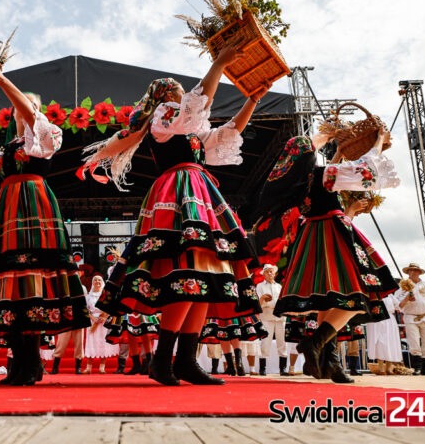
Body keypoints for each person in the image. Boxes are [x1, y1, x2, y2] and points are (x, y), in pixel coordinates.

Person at [81, 46, 268, 386]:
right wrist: (219, 64)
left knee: (206, 281)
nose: (187, 96)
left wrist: (253, 100)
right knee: (187, 275)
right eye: (180, 92)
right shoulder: (165, 117)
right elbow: (199, 102)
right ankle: (164, 359)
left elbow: (227, 134)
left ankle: (184, 360)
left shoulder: (189, 128)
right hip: (179, 193)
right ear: (167, 96)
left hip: (200, 192)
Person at [0, 59, 90, 385]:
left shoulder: (45, 135)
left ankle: (29, 362)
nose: (26, 109)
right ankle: (23, 361)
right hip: (7, 208)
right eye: (21, 105)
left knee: (33, 281)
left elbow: (31, 114)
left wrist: (2, 82)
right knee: (9, 283)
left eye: (32, 105)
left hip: (34, 204)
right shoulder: (3, 149)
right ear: (11, 112)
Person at [250, 131, 400, 383]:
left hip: (312, 235)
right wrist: (377, 141)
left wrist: (339, 152)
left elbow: (333, 171)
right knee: (358, 296)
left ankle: (330, 362)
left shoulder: (299, 183)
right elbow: (364, 169)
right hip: (333, 232)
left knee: (327, 301)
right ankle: (315, 342)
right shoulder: (324, 175)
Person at [83, 275, 119, 373]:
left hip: (103, 322)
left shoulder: (106, 295)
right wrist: (93, 318)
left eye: (99, 280)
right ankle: (88, 367)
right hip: (92, 322)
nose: (97, 282)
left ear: (102, 282)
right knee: (91, 343)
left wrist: (104, 317)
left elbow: (111, 307)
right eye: (95, 280)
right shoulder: (88, 297)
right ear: (92, 282)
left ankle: (102, 367)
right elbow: (85, 310)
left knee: (103, 342)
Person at [256, 264, 286, 375]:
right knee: (265, 342)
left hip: (279, 317)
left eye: (271, 271)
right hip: (266, 317)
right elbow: (258, 304)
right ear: (263, 274)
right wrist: (263, 299)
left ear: (275, 273)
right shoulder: (259, 286)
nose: (270, 274)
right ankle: (262, 369)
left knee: (282, 343)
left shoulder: (279, 287)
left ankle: (283, 369)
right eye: (267, 272)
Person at [366, 292, 403, 374]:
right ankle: (381, 367)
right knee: (380, 342)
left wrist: (407, 298)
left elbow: (399, 305)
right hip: (377, 318)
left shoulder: (390, 295)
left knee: (390, 342)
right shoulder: (372, 294)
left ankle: (389, 368)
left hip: (389, 320)